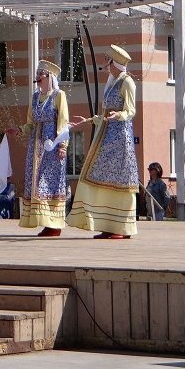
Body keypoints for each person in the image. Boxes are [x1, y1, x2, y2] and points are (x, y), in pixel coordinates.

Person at [67, 45, 139, 239]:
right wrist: (90, 120)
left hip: (120, 138)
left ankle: (121, 228)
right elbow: (106, 114)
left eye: (107, 59)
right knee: (100, 177)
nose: (104, 63)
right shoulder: (112, 82)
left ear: (114, 62)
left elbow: (131, 111)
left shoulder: (127, 82)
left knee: (120, 180)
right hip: (106, 136)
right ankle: (107, 224)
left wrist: (120, 115)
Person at [12, 59, 69, 237]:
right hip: (35, 145)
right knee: (36, 181)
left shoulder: (59, 95)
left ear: (49, 77)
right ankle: (45, 222)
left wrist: (62, 146)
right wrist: (20, 131)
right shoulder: (35, 97)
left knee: (49, 181)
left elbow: (63, 121)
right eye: (37, 75)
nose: (37, 78)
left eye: (41, 75)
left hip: (52, 145)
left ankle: (55, 223)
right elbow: (31, 122)